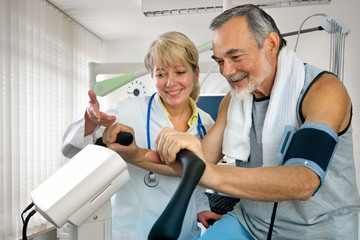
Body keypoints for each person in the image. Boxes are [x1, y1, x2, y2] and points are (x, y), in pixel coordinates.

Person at [103, 4, 360, 240]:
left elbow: (303, 181)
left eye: (235, 57)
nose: (226, 71)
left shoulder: (323, 90)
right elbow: (198, 162)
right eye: (220, 61)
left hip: (318, 230)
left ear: (270, 44)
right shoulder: (233, 100)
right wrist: (136, 155)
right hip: (251, 222)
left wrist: (206, 171)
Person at [62, 31, 222, 239]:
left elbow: (196, 177)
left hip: (183, 231)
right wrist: (89, 123)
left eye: (180, 72)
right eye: (161, 74)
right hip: (134, 230)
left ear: (195, 73)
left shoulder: (205, 123)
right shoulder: (128, 111)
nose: (170, 83)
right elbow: (71, 149)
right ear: (153, 76)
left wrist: (201, 207)